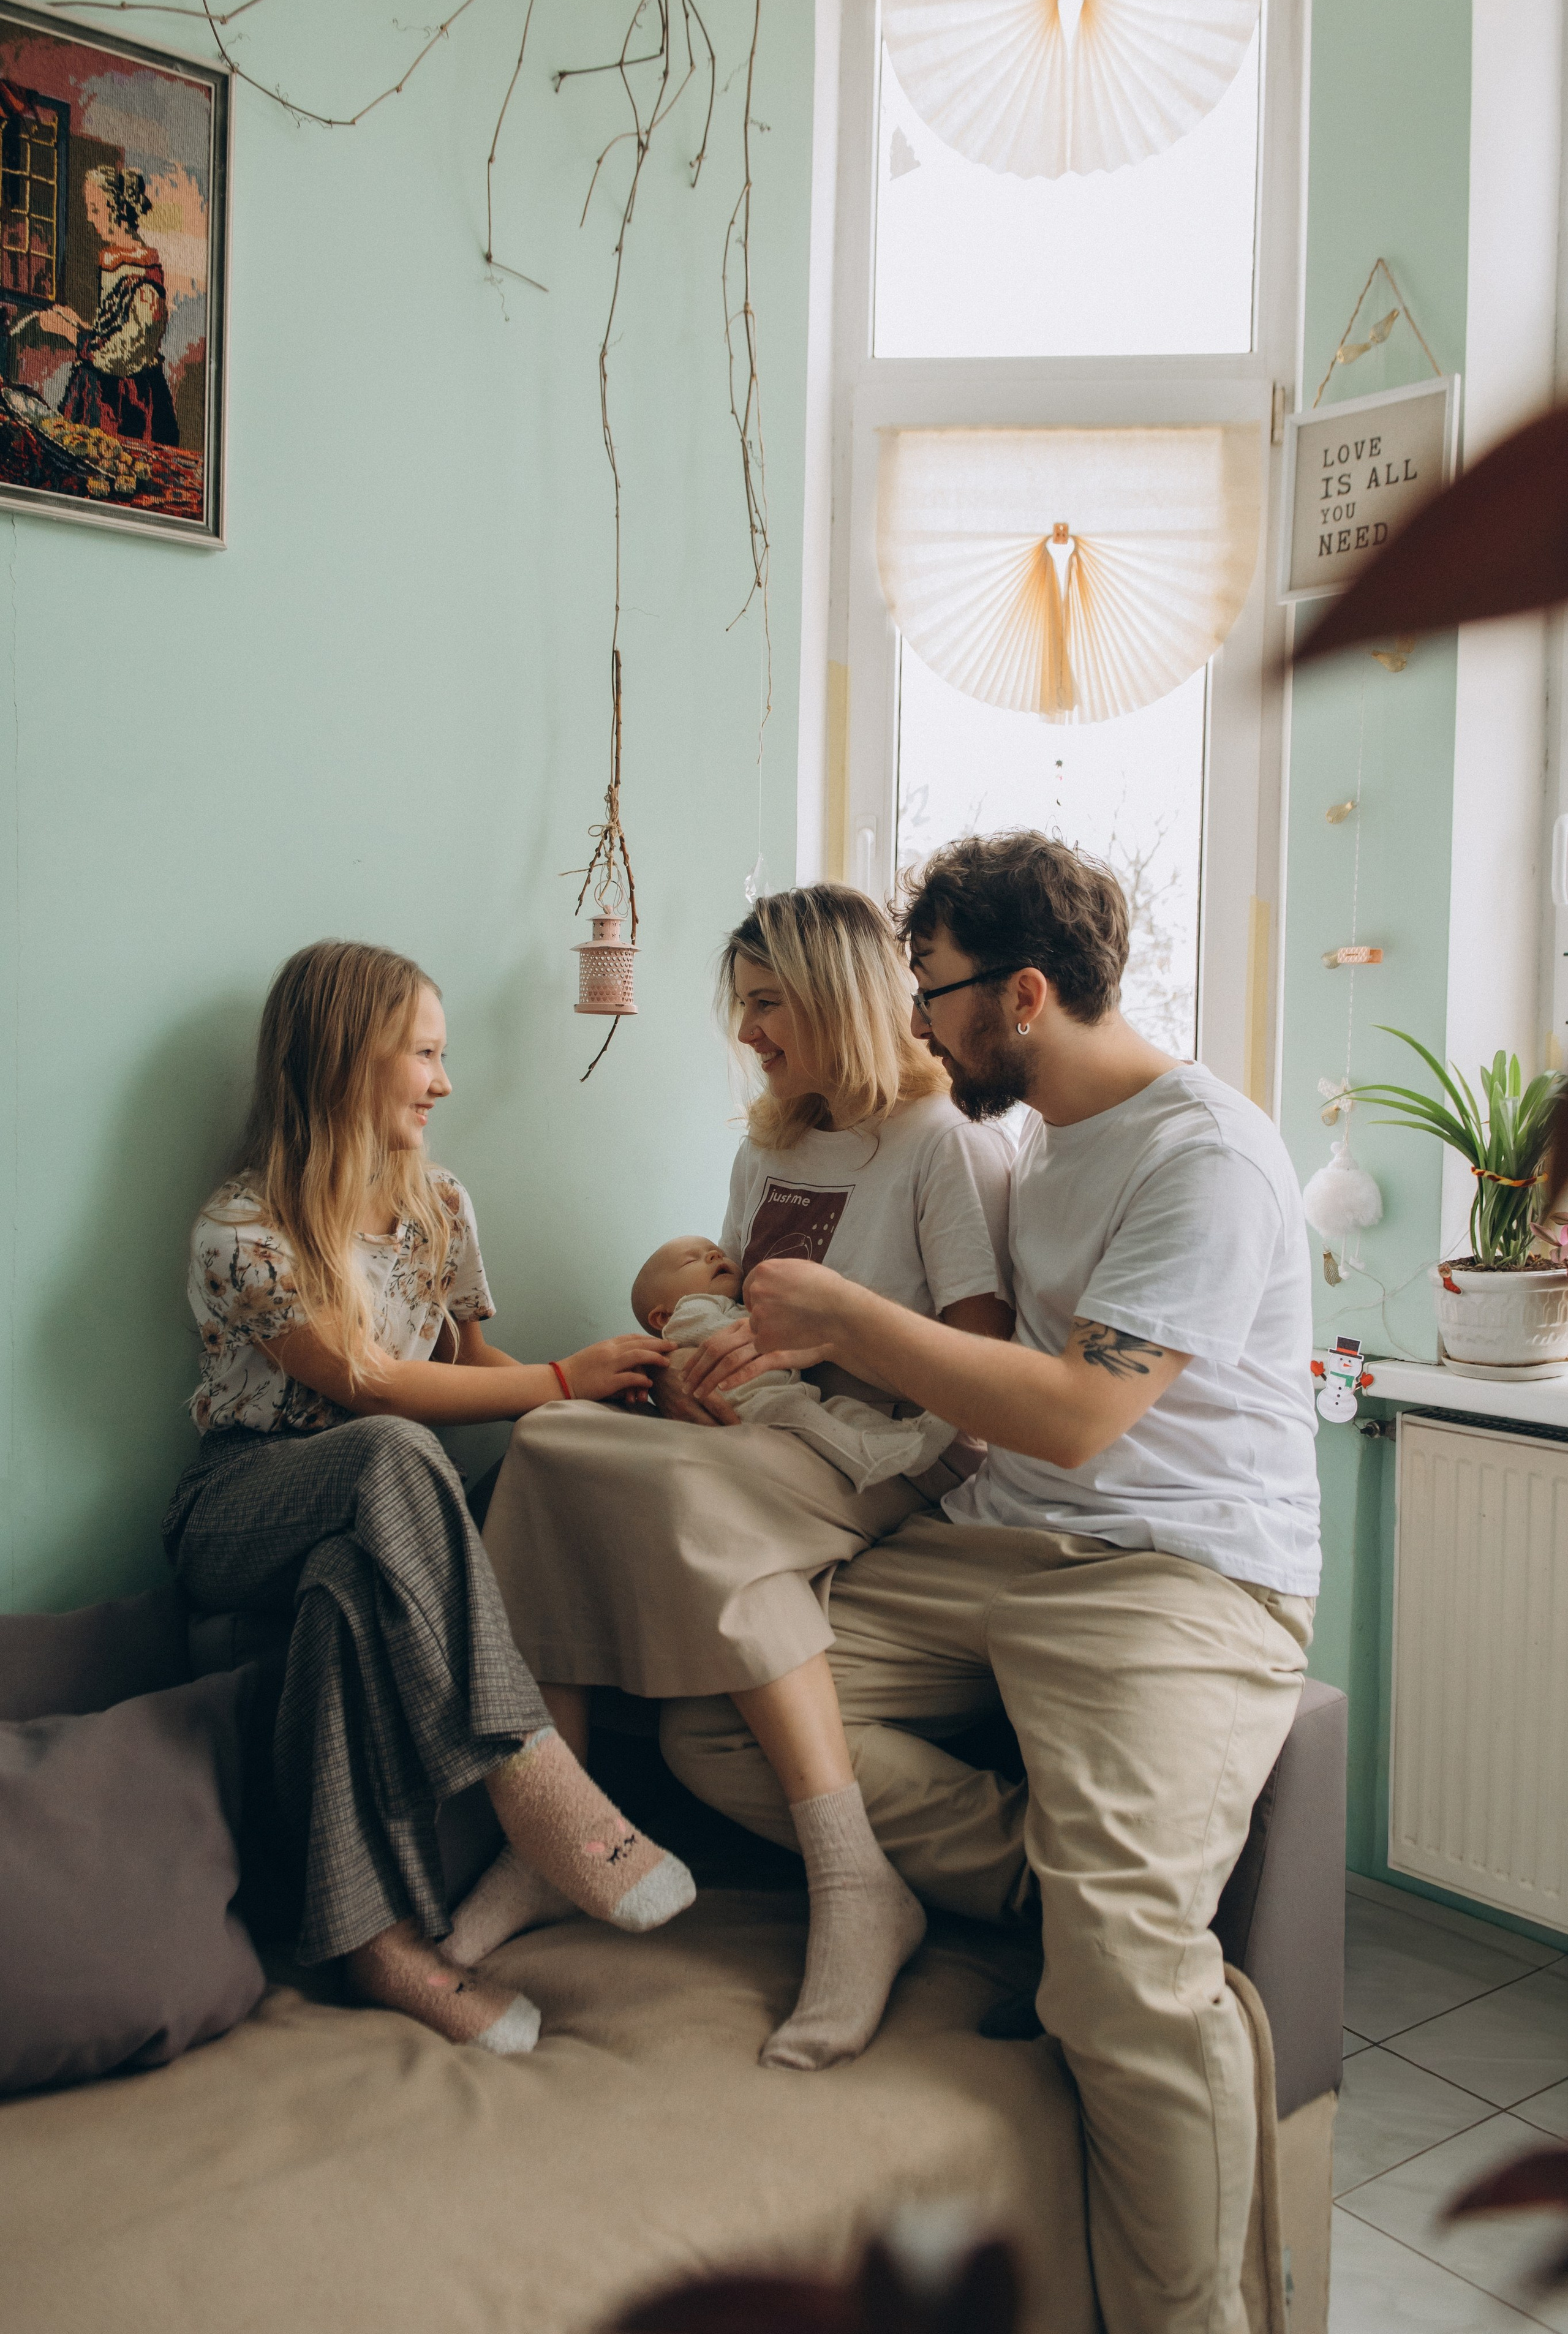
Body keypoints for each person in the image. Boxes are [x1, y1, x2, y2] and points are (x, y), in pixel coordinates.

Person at [664, 832, 1319, 2334]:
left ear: (1021, 993)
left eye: (933, 989)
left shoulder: (1201, 1154)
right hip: (994, 1543)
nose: (913, 1019)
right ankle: (1039, 1871)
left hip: (1174, 1574)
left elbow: (1080, 1410)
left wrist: (837, 1320)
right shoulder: (1027, 1147)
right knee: (718, 1710)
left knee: (1124, 1985)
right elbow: (977, 1382)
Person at [469, 885, 1015, 2070]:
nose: (750, 1032)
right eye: (745, 1006)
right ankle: (553, 1830)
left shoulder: (945, 1148)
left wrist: (825, 1344)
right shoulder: (768, 1145)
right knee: (554, 1441)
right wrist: (691, 1375)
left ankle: (852, 1882)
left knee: (678, 1496)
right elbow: (738, 1319)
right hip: (761, 1441)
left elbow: (983, 1376)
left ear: (838, 999)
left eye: (770, 1004)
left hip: (890, 1455)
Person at [164, 939, 693, 2057]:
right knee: (395, 1447)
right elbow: (363, 1383)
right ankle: (535, 1783)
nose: (443, 1082)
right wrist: (560, 1378)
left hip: (378, 1516)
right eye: (425, 1054)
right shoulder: (241, 1229)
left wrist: (603, 1395)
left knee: (351, 1583)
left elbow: (473, 1368)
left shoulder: (438, 1204)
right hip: (239, 1503)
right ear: (348, 1055)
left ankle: (382, 1951)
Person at [631, 1233, 956, 1487]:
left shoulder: (728, 1305)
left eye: (714, 1250)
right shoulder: (690, 1311)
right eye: (692, 1262)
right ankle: (870, 1457)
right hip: (750, 1403)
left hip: (780, 1390)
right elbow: (715, 1333)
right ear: (662, 1318)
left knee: (836, 1411)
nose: (715, 1255)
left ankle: (905, 1442)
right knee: (809, 1418)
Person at [36, 166, 180, 444]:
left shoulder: (144, 271)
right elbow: (112, 329)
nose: (90, 218)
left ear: (117, 210)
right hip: (101, 390)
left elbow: (126, 353)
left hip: (130, 402)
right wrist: (78, 322)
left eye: (96, 209)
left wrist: (69, 333)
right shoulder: (113, 259)